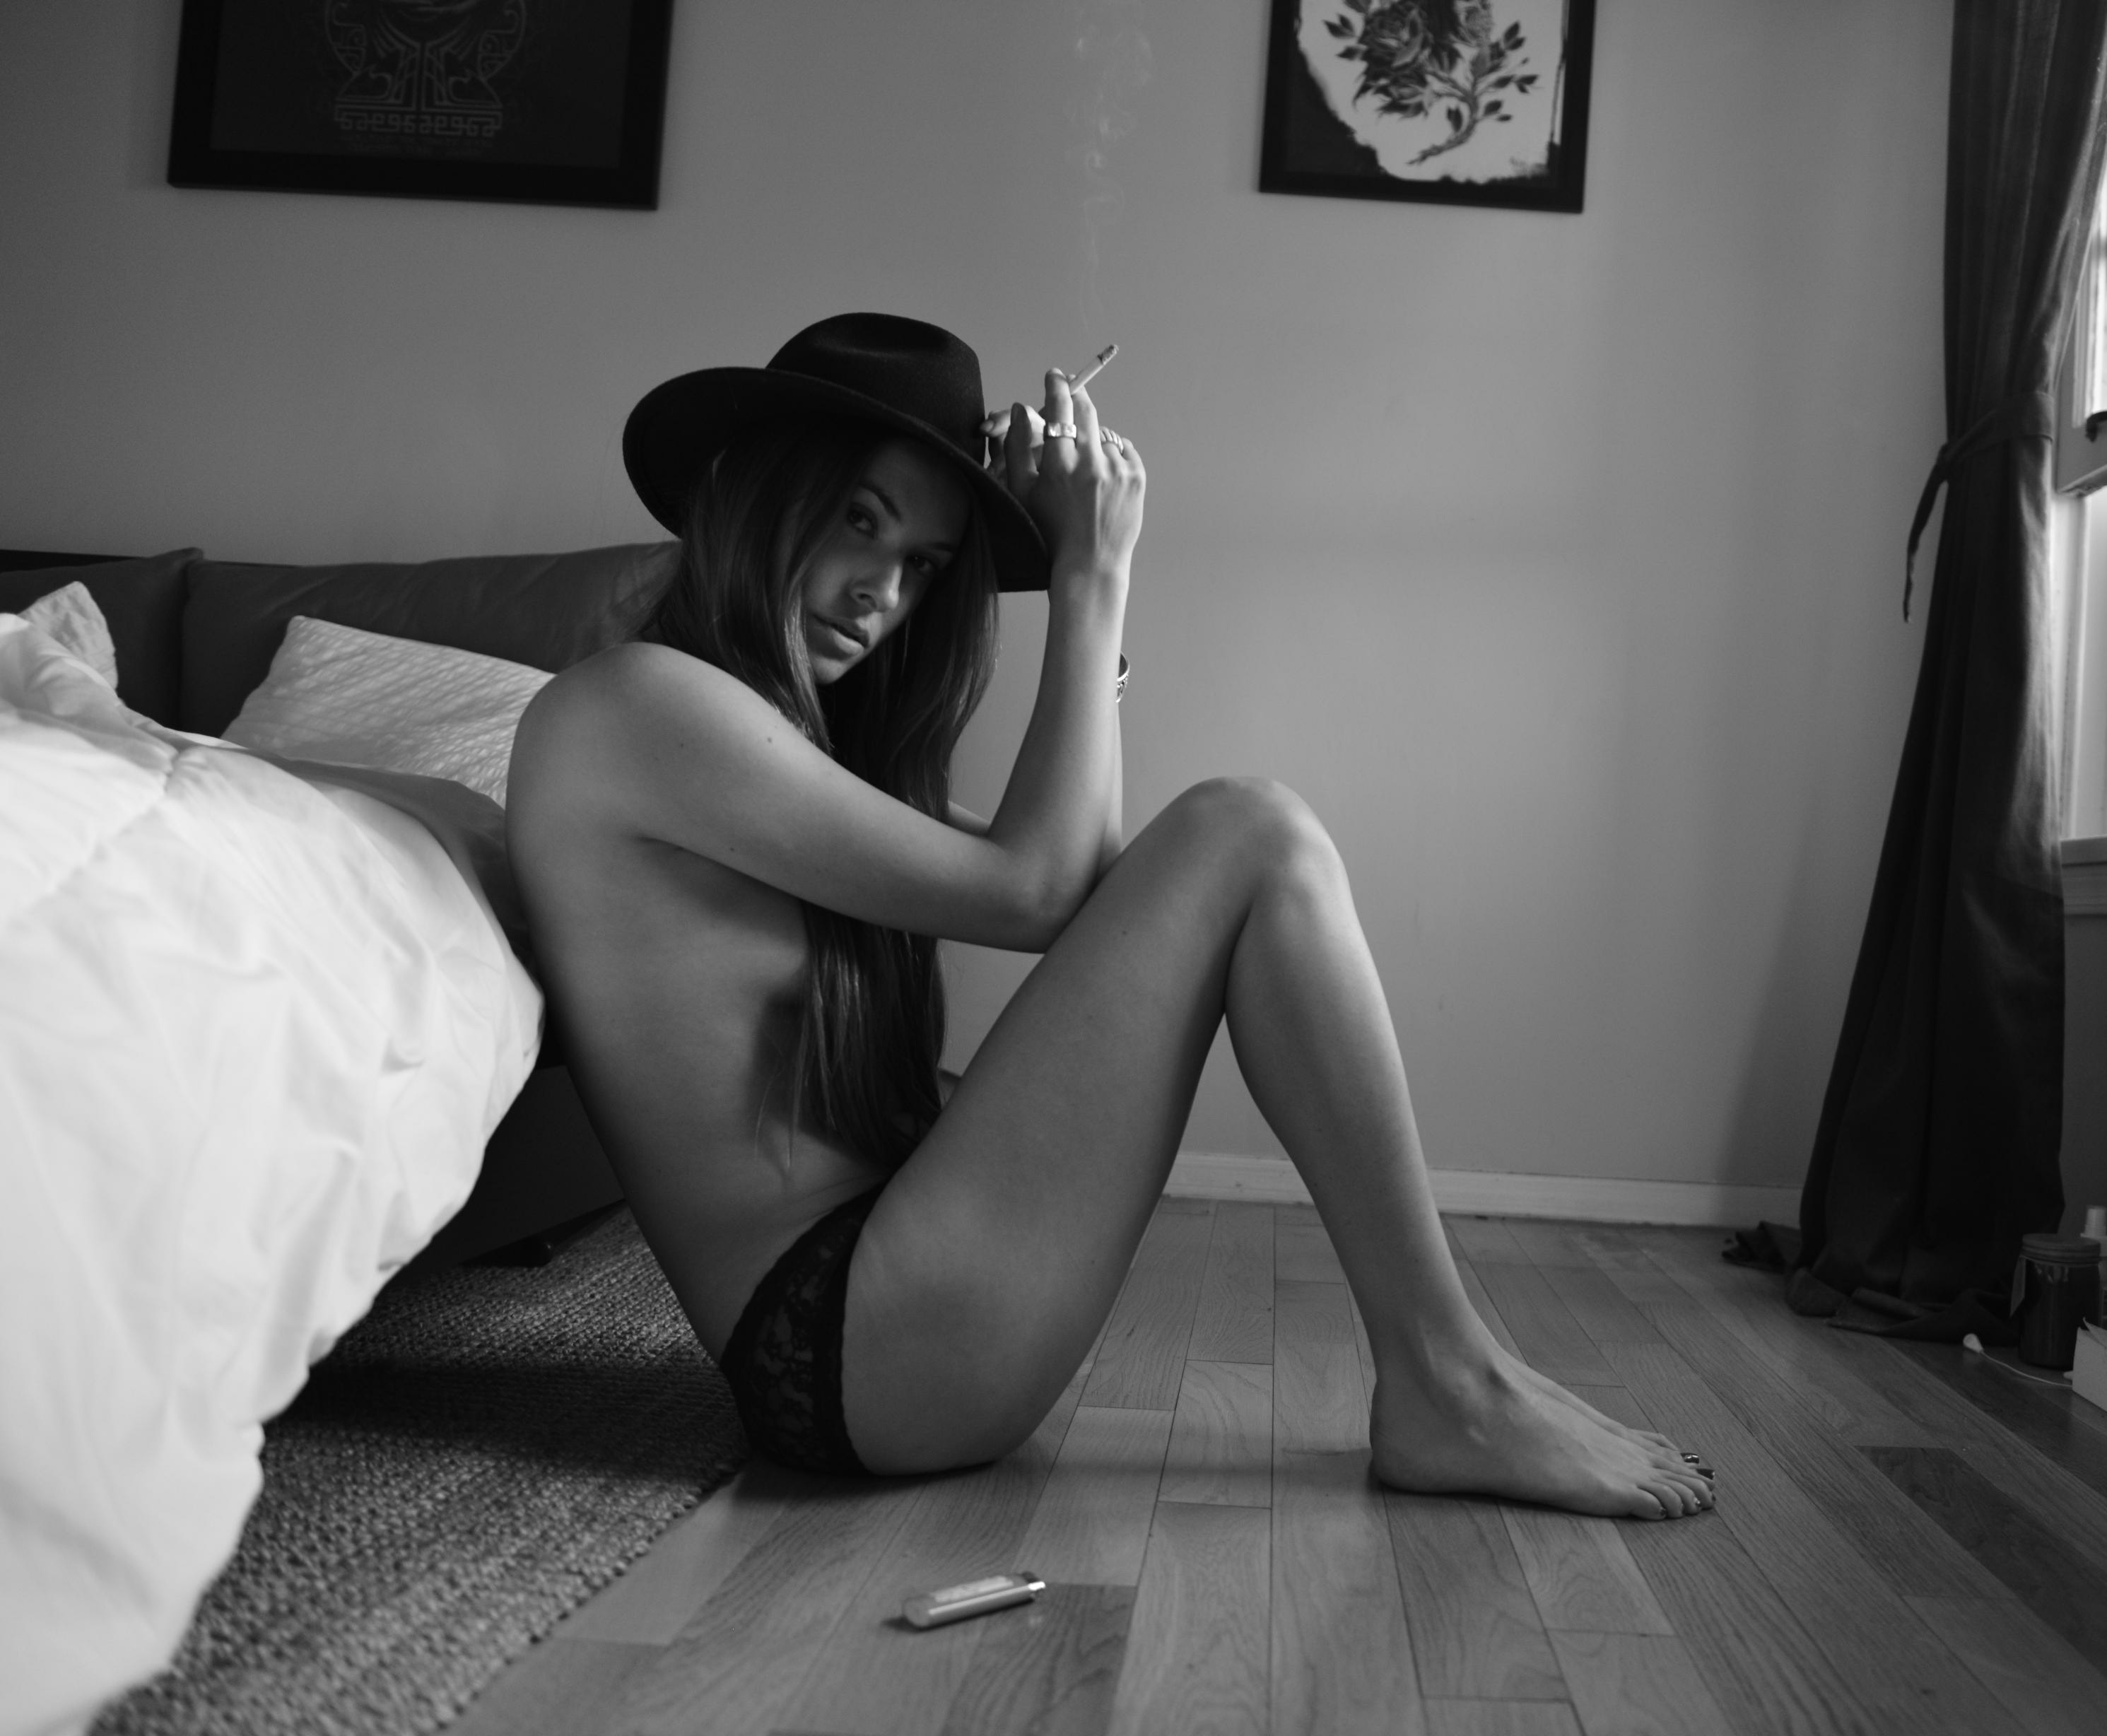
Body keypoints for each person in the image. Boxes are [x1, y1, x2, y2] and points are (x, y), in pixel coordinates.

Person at [508, 314, 1715, 1518]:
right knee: (1251, 828)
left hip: (895, 1306)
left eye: (925, 563)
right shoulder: (632, 707)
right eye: (857, 521)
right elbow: (1036, 891)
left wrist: (1093, 599)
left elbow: (1079, 890)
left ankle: (1457, 1373)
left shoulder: (777, 751)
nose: (881, 590)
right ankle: (1451, 1380)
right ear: (754, 494)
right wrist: (1092, 572)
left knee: (1250, 846)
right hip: (854, 1342)